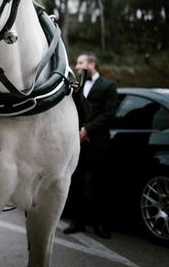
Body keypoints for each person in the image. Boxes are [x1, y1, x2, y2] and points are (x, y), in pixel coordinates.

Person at [64, 52, 118, 239]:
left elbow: (109, 113)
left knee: (99, 185)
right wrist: (76, 130)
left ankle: (100, 224)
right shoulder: (76, 86)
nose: (77, 66)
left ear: (92, 64)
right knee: (76, 183)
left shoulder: (108, 86)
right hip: (77, 142)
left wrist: (87, 130)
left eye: (80, 63)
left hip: (98, 143)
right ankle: (77, 222)